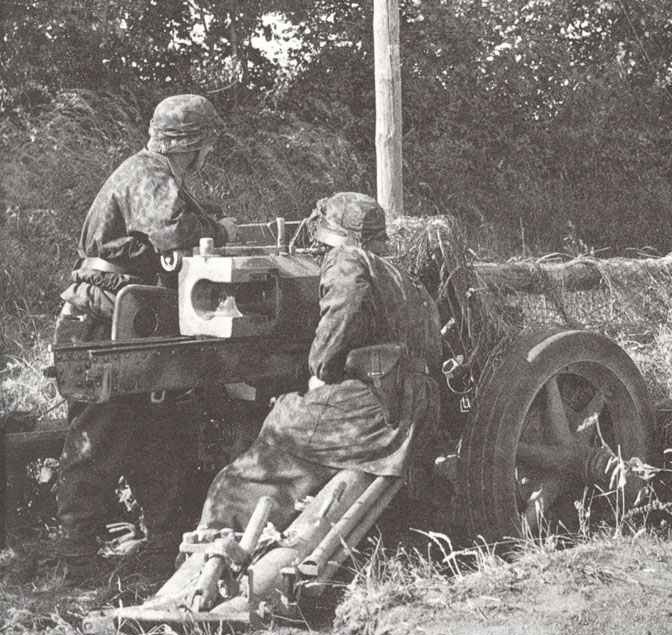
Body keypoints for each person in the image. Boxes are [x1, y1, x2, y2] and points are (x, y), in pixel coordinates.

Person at [53, 94, 239, 574]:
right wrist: (221, 229)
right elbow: (173, 230)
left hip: (125, 316)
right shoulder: (149, 173)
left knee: (155, 430)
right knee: (100, 431)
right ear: (192, 144)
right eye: (206, 145)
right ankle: (75, 552)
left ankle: (163, 539)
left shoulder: (154, 174)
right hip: (101, 320)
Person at [197, 192, 441, 537]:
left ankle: (216, 538)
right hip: (412, 405)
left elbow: (346, 305)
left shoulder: (348, 259)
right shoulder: (404, 279)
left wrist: (319, 369)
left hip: (371, 410)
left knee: (262, 448)